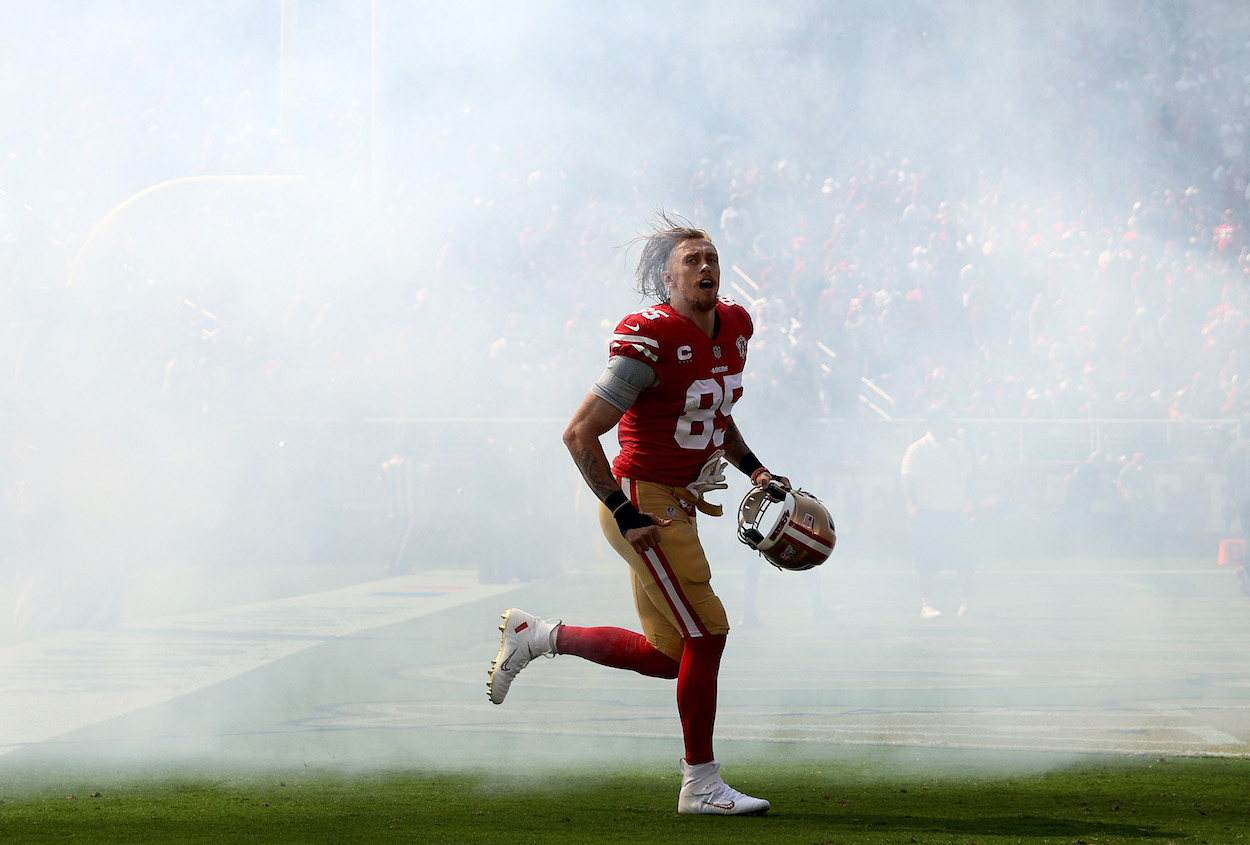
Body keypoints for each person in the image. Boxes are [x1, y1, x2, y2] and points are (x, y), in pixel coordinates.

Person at [487, 211, 781, 815]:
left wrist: (753, 468)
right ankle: (700, 783)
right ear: (666, 279)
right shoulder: (650, 340)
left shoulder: (736, 327)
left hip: (678, 499)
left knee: (671, 655)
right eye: (692, 260)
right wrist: (622, 512)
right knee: (710, 630)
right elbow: (578, 433)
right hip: (645, 499)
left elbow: (715, 415)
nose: (707, 266)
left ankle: (539, 636)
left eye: (712, 257)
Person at [900, 406, 975, 618]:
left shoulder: (956, 446)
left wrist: (969, 501)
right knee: (927, 560)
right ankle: (928, 605)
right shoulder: (918, 448)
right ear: (932, 423)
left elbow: (967, 475)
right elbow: (907, 478)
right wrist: (911, 505)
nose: (950, 425)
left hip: (955, 510)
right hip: (928, 511)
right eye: (945, 421)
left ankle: (968, 604)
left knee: (966, 558)